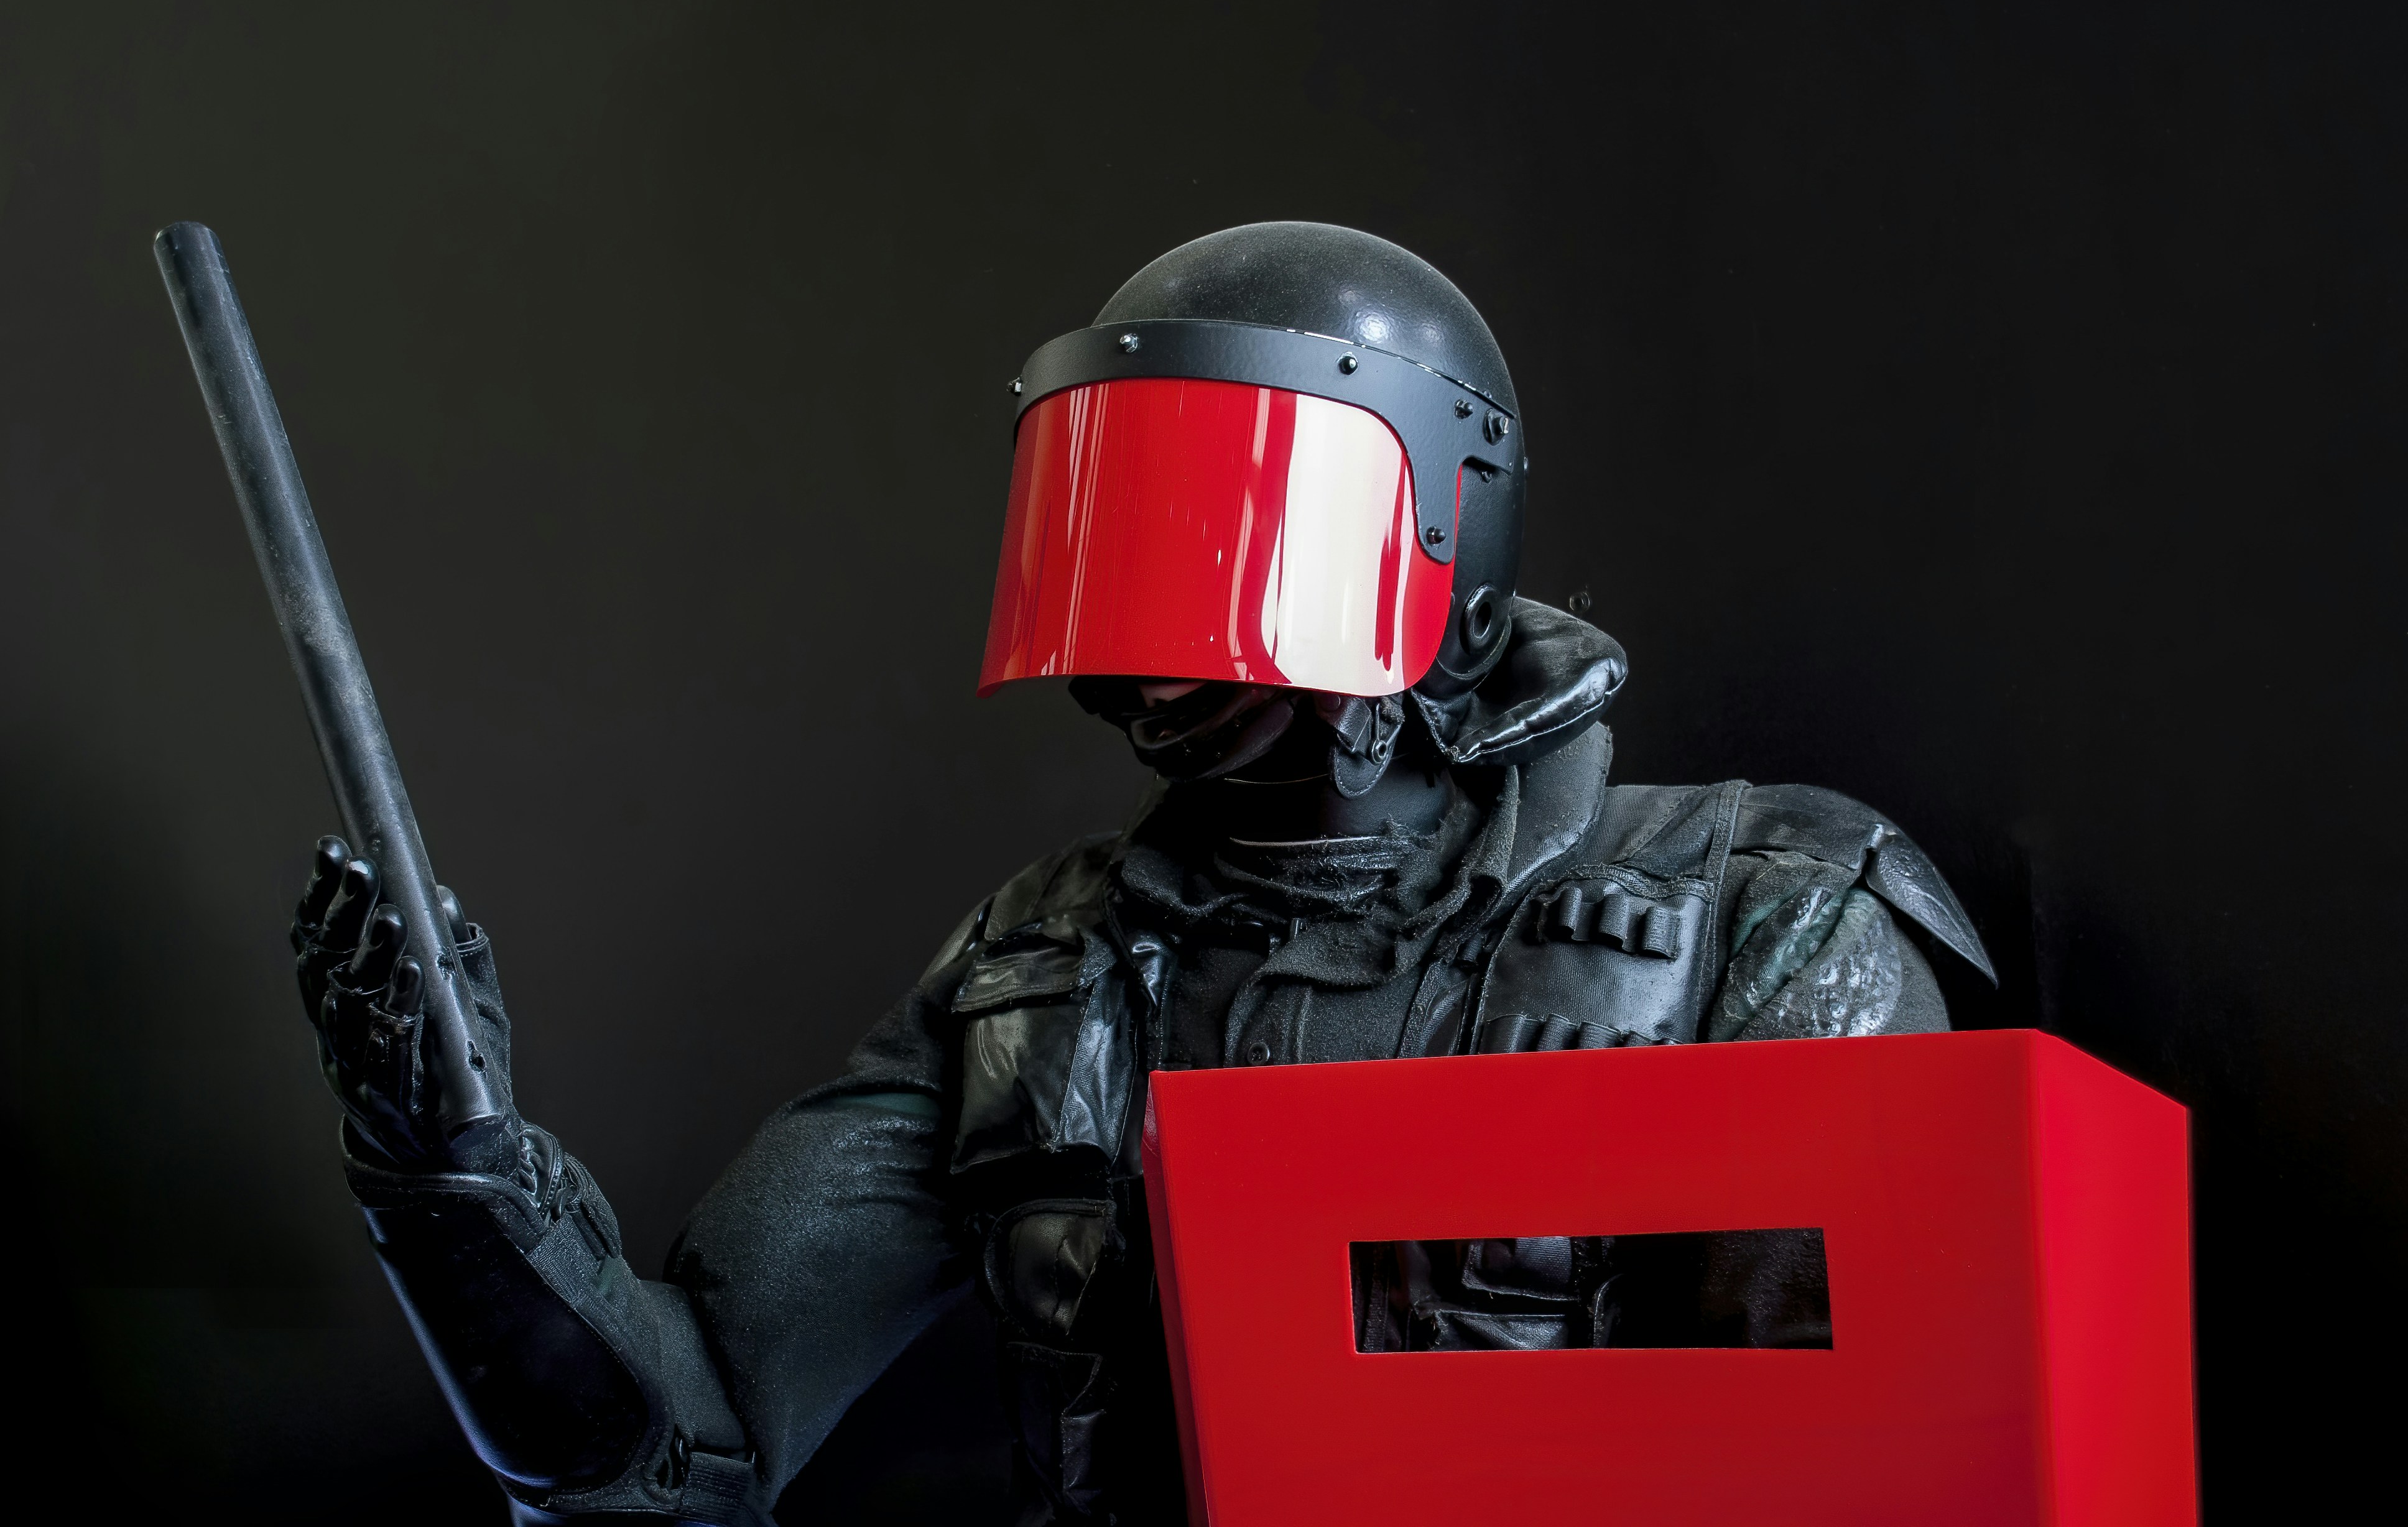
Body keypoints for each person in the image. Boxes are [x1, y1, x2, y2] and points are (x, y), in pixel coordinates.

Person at [289, 221, 1995, 1525]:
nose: (1165, 595)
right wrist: (455, 1185)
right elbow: (681, 1450)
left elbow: (1875, 1470)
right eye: (1131, 515)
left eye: (1234, 513)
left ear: (1432, 524)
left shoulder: (1763, 922)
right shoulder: (1042, 974)